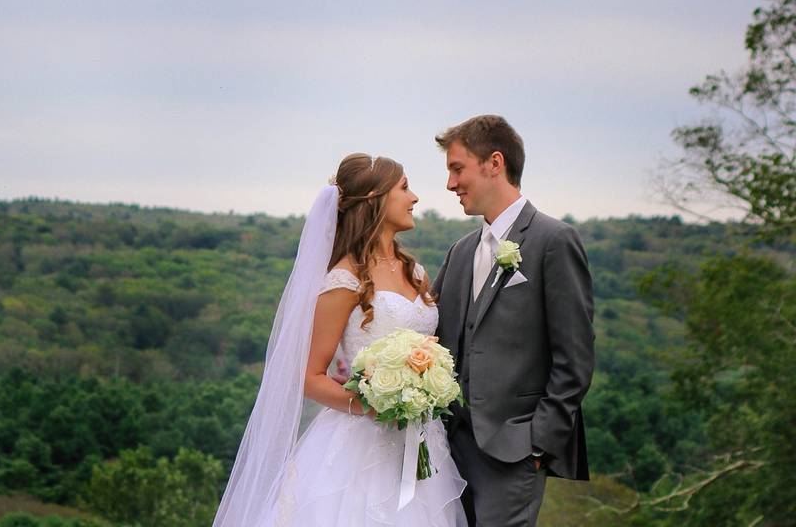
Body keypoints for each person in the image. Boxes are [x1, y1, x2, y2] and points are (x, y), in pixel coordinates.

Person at [213, 153, 467, 527]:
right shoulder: (345, 279)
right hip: (360, 447)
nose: (414, 198)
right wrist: (374, 405)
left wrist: (428, 386)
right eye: (405, 188)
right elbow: (309, 376)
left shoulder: (415, 271)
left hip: (422, 440)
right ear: (374, 199)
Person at [432, 116, 595, 527]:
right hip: (448, 451)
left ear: (495, 163)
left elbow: (574, 357)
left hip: (514, 449)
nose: (450, 184)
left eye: (457, 168)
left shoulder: (554, 241)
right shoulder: (460, 251)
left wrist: (539, 442)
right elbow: (431, 339)